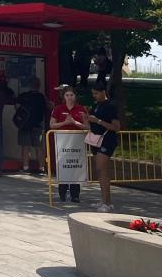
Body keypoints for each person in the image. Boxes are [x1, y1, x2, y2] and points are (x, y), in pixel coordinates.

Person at [49, 85, 90, 203]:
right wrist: (65, 122)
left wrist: (75, 122)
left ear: (75, 96)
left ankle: (75, 194)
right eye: (67, 95)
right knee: (63, 166)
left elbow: (87, 126)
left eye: (72, 95)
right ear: (64, 97)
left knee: (75, 167)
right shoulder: (58, 109)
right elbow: (52, 125)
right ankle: (62, 192)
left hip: (76, 143)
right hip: (62, 142)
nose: (70, 97)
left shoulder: (81, 109)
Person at [88, 82, 120, 212]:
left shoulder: (110, 106)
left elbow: (116, 127)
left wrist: (99, 121)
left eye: (96, 93)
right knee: (100, 171)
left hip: (107, 140)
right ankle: (104, 200)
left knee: (102, 170)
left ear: (103, 92)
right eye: (93, 94)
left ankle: (107, 203)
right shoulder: (95, 105)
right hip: (96, 139)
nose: (94, 96)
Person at [15, 77, 48, 174]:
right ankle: (41, 168)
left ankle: (26, 167)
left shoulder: (23, 96)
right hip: (38, 125)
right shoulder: (41, 97)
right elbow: (48, 106)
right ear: (39, 85)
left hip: (25, 125)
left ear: (29, 85)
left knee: (25, 147)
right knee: (39, 147)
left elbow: (17, 106)